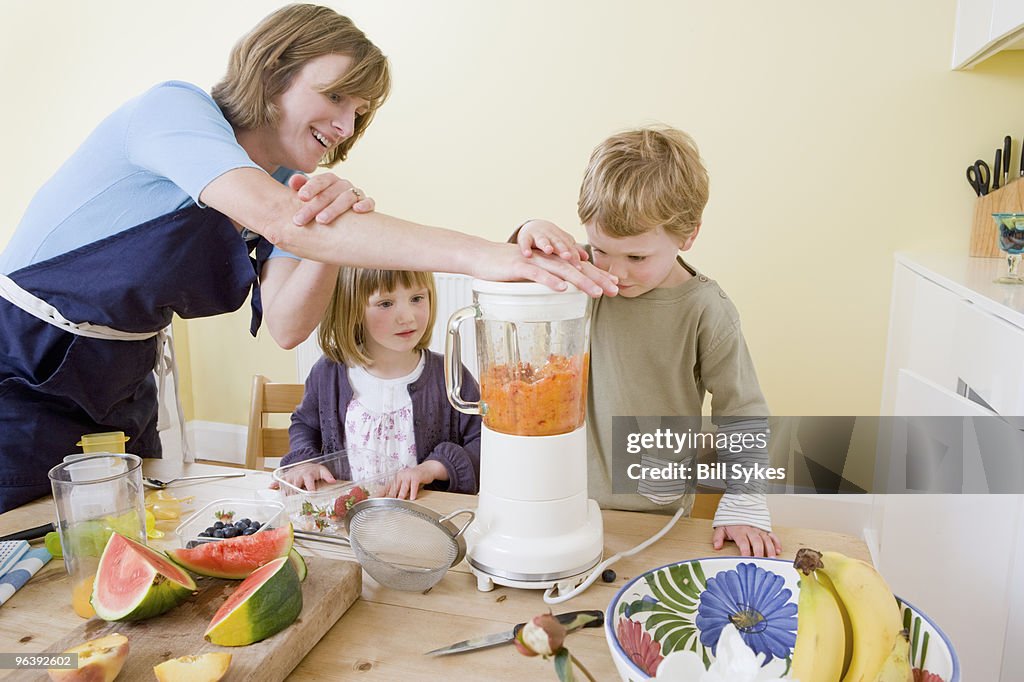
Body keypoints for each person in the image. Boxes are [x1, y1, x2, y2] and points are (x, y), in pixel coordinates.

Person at [0, 4, 614, 513]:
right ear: (274, 70)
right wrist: (491, 258)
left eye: (360, 112)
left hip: (122, 378)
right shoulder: (174, 112)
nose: (347, 124)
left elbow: (289, 323)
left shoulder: (283, 180)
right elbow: (275, 219)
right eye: (338, 96)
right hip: (26, 361)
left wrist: (327, 239)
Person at [514, 127, 782, 558]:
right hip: (562, 501)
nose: (615, 272)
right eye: (601, 249)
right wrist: (528, 232)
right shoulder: (580, 274)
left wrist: (745, 501)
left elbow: (743, 412)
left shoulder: (706, 310)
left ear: (687, 235)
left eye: (636, 257)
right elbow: (512, 286)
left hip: (655, 515)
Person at [279, 267, 480, 500]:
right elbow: (304, 424)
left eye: (417, 298)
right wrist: (304, 462)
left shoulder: (450, 375)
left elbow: (483, 443)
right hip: (348, 522)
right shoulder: (328, 373)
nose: (407, 317)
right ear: (351, 308)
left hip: (423, 520)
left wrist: (432, 468)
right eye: (385, 303)